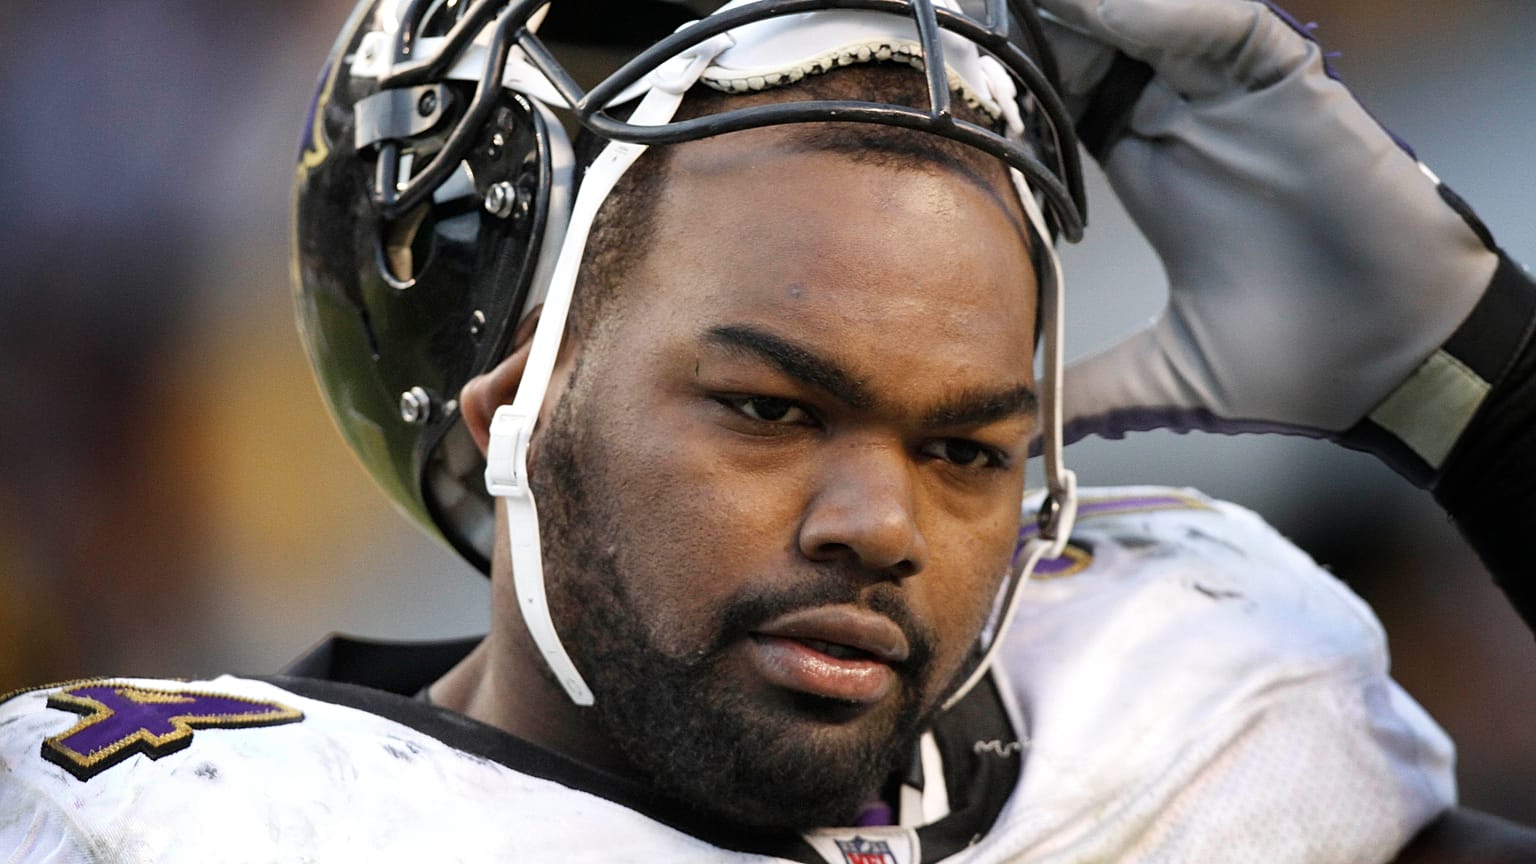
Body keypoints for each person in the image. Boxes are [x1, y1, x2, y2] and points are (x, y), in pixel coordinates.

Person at [2, 0, 1533, 860]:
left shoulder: (1188, 705)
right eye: (771, 408)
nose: (877, 522)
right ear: (508, 411)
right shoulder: (202, 824)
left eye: (966, 447)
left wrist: (1488, 391)